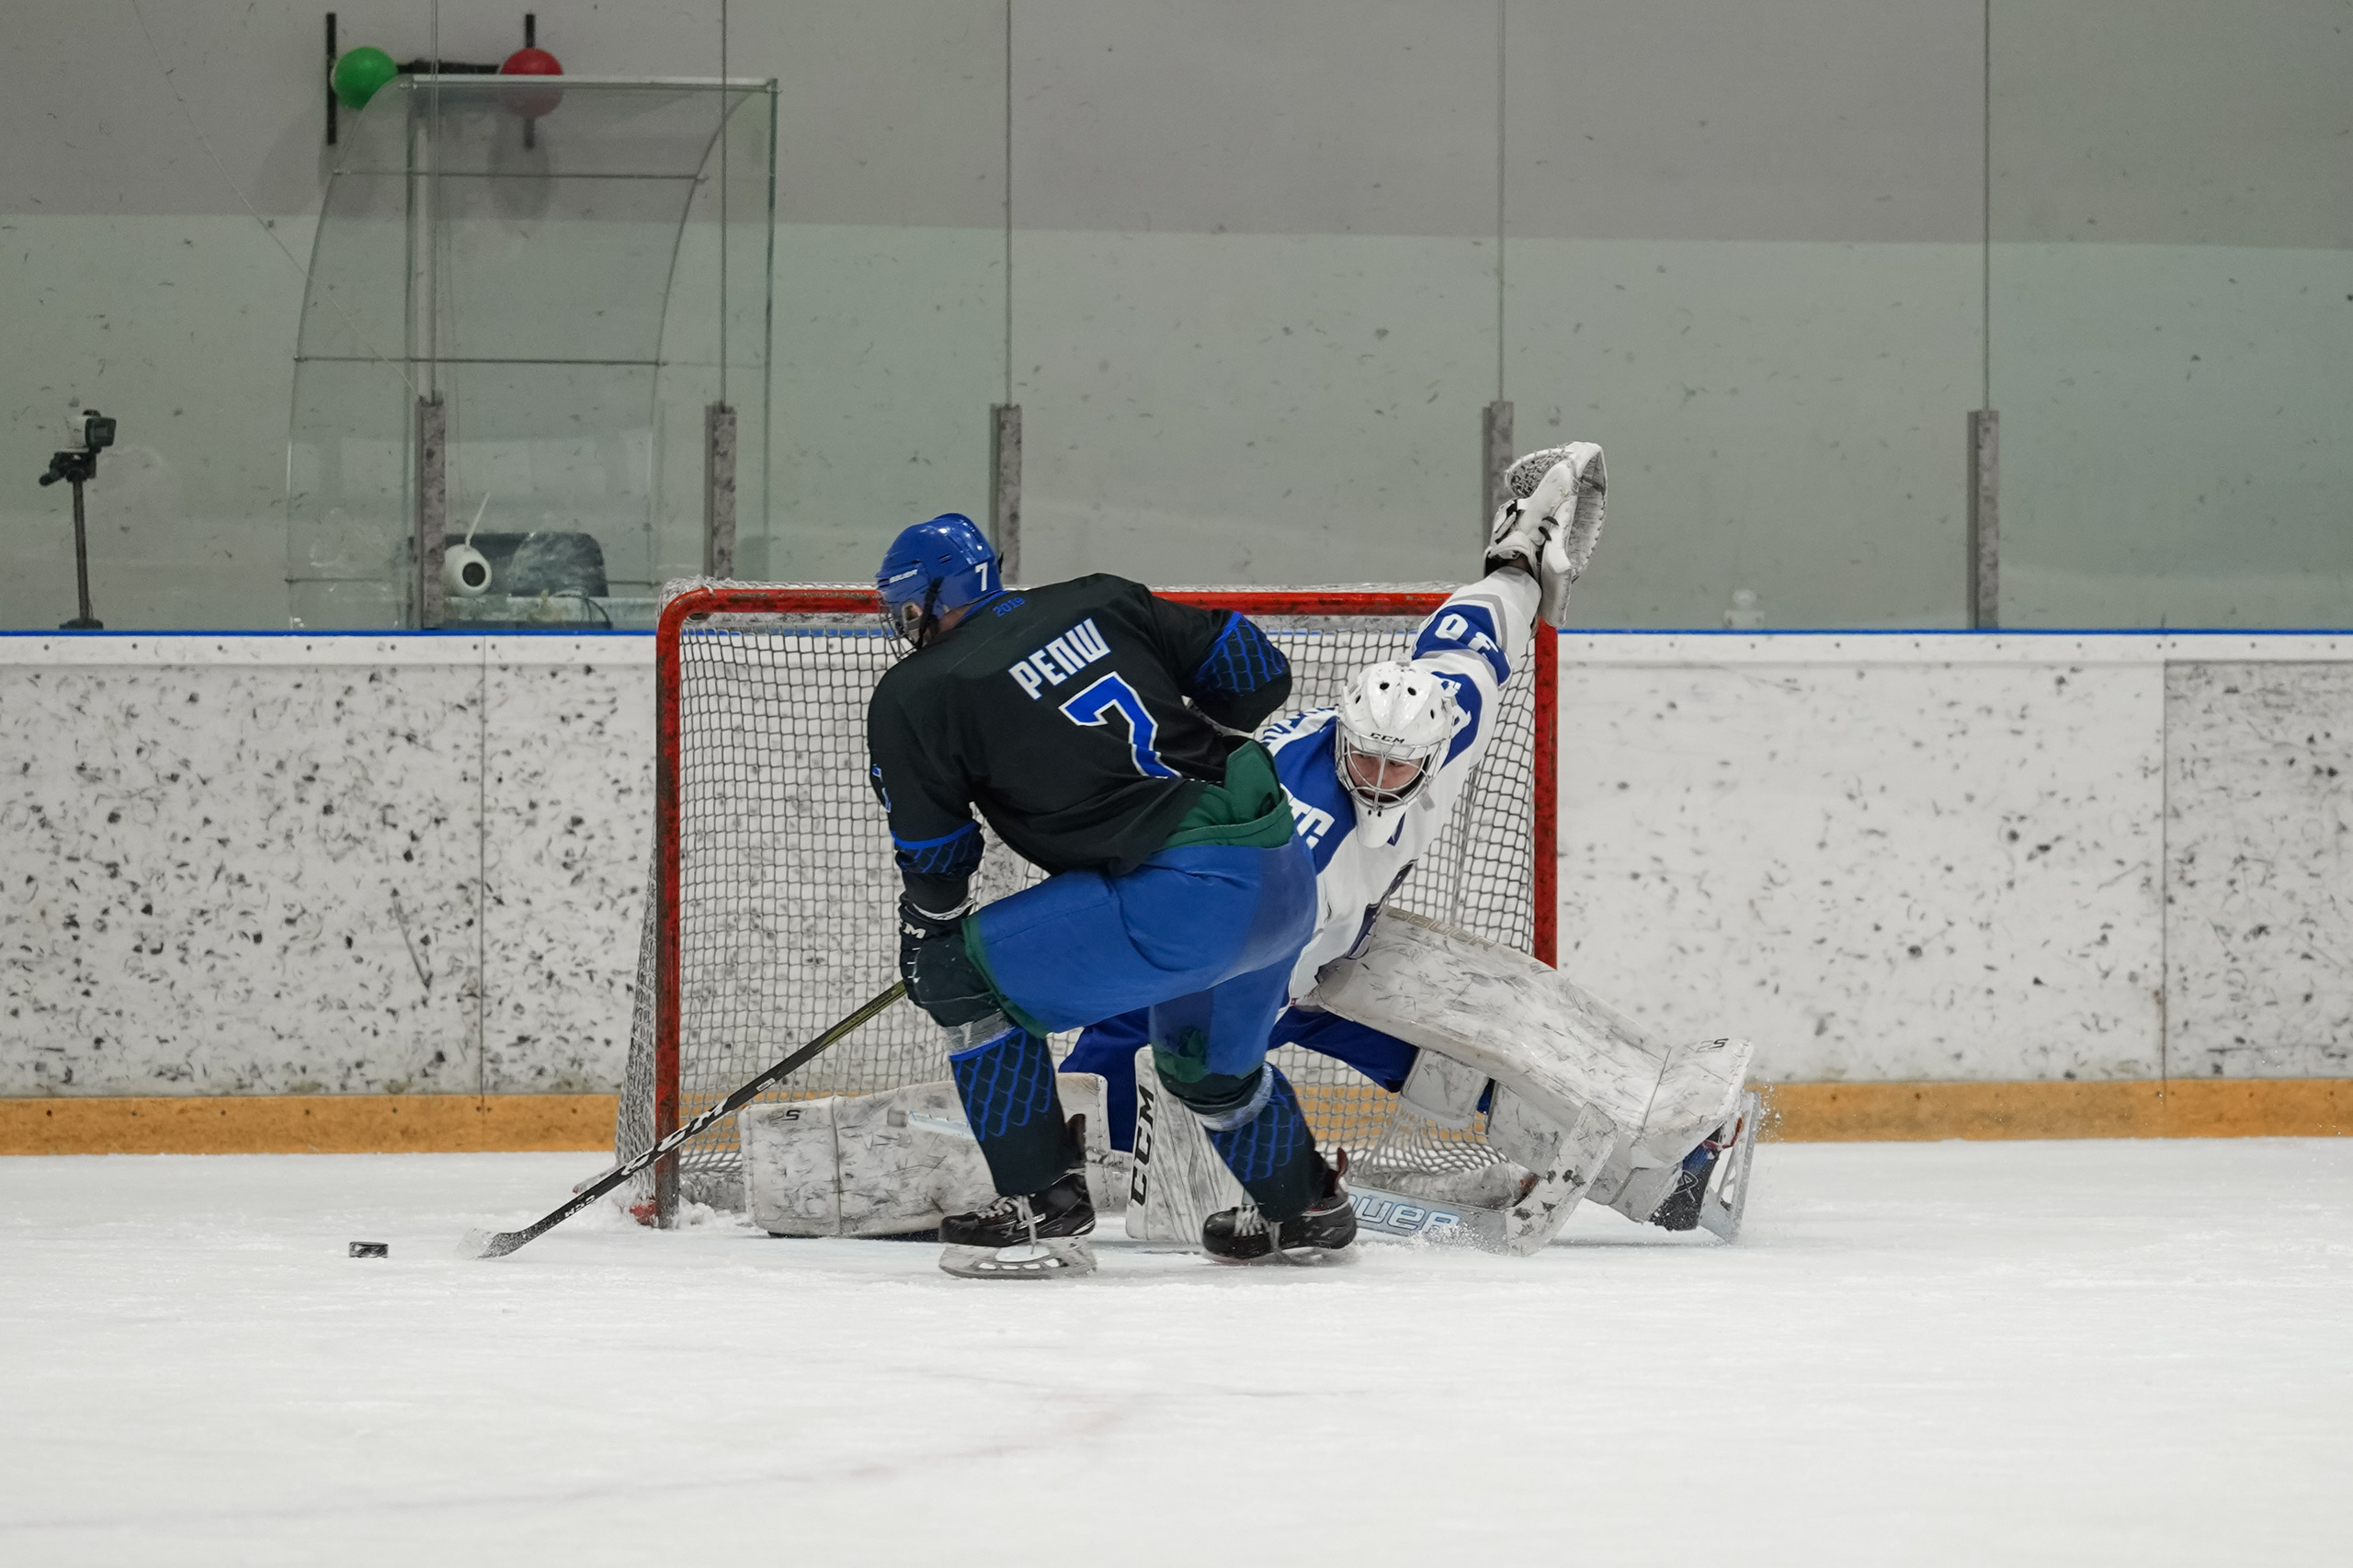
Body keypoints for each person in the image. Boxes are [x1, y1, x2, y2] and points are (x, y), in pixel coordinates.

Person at [1048, 446, 1746, 1221]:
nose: (1379, 778)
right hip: (1246, 945)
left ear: (1432, 746)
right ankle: (1062, 1162)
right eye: (1366, 762)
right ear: (1342, 735)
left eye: (1397, 766)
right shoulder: (1298, 837)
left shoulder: (1445, 714)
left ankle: (1660, 1172)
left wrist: (1515, 562)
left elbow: (1473, 638)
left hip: (1315, 941)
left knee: (1447, 1052)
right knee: (1141, 1046)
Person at [866, 513, 1336, 1275]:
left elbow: (938, 854)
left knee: (961, 977)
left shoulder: (917, 691)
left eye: (907, 606)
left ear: (932, 598)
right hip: (1282, 873)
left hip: (1187, 897)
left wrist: (928, 933)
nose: (904, 623)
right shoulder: (1101, 597)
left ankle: (1037, 1205)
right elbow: (1258, 675)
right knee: (1206, 1070)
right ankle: (1305, 1206)